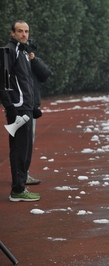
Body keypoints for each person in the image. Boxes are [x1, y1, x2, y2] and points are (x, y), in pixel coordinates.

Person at [0, 20, 40, 201]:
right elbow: (3, 82)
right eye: (20, 31)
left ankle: (20, 186)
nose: (24, 34)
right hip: (17, 109)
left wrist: (33, 107)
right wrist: (10, 108)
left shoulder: (23, 52)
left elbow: (26, 83)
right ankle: (17, 190)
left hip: (26, 108)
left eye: (26, 31)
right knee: (19, 150)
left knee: (26, 150)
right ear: (12, 33)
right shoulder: (9, 51)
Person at [26, 40, 52, 185]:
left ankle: (23, 174)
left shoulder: (32, 59)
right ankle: (21, 175)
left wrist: (33, 60)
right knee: (21, 142)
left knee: (29, 141)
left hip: (31, 106)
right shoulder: (12, 56)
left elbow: (46, 74)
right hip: (19, 106)